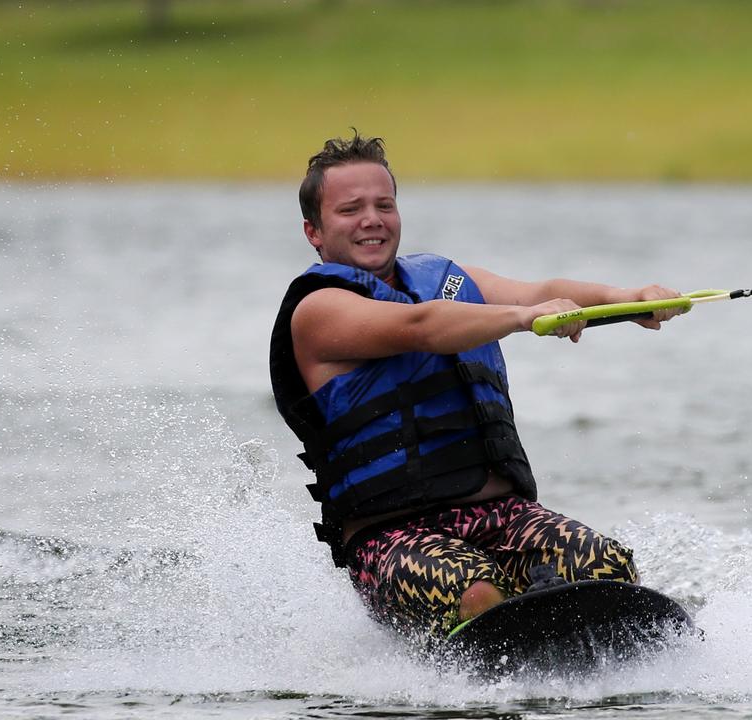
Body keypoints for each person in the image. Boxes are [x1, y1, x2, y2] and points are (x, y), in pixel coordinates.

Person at [269, 131, 684, 642]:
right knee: (476, 593)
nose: (372, 219)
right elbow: (419, 327)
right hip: (391, 536)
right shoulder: (319, 310)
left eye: (384, 205)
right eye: (350, 209)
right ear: (315, 231)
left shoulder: (446, 278)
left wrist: (629, 299)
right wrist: (523, 317)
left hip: (502, 515)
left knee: (605, 567)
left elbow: (541, 292)